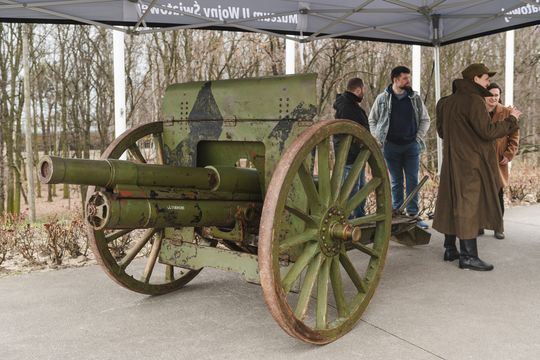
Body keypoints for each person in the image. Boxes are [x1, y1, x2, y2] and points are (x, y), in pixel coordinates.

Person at [433, 64, 522, 271]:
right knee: (468, 205)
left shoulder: (445, 102)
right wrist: (512, 120)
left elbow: (442, 132)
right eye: (484, 78)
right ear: (475, 79)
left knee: (451, 201)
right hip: (470, 163)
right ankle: (468, 256)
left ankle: (450, 249)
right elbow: (488, 132)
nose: (487, 82)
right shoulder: (474, 101)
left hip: (450, 161)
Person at [368, 66, 430, 228]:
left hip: (411, 146)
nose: (408, 81)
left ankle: (413, 216)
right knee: (395, 182)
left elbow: (425, 119)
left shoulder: (415, 98)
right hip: (390, 147)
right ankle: (397, 214)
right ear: (395, 80)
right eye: (404, 78)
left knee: (412, 180)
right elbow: (372, 120)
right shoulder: (382, 99)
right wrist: (378, 137)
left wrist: (417, 138)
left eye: (408, 78)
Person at [480, 83, 520, 239]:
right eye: (491, 95)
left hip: (498, 159)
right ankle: (479, 225)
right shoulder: (478, 110)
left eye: (496, 95)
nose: (493, 98)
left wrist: (509, 154)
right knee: (480, 193)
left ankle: (498, 227)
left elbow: (514, 136)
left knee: (497, 193)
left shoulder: (506, 112)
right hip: (480, 158)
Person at [333, 77, 369, 218]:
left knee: (360, 187)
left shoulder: (348, 104)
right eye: (363, 90)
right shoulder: (348, 106)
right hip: (349, 156)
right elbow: (350, 133)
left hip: (356, 156)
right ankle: (349, 219)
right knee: (351, 189)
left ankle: (360, 216)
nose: (363, 93)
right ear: (358, 89)